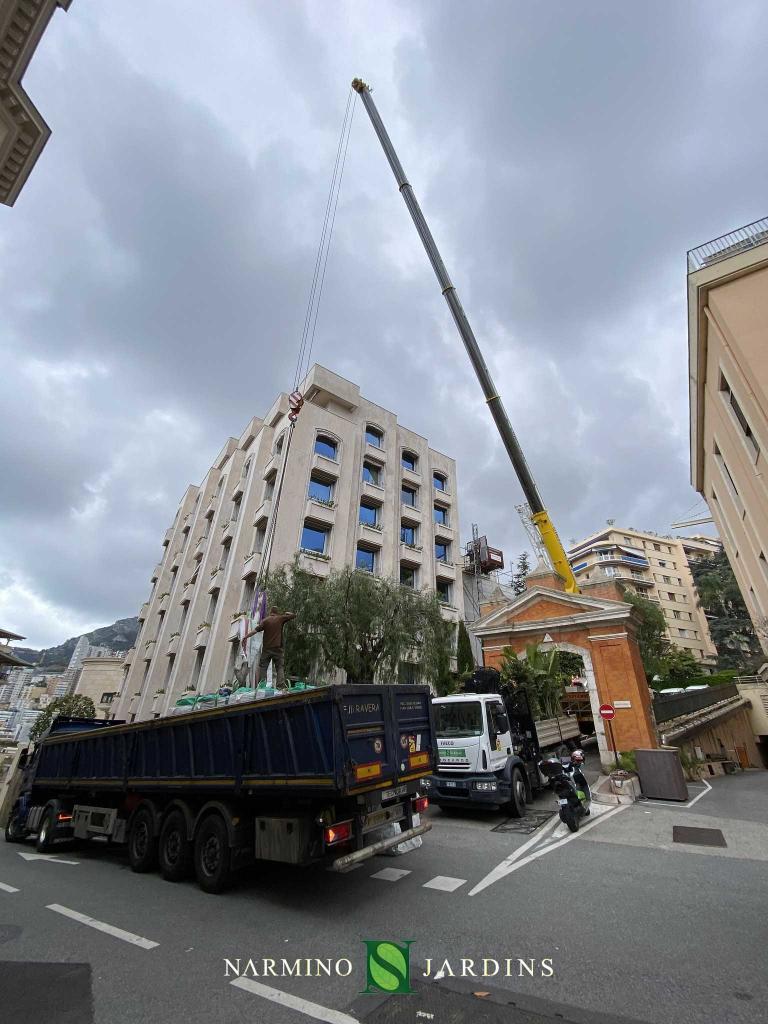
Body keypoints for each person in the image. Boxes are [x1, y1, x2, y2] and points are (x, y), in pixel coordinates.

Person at [243, 607, 296, 690]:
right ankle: (280, 686)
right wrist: (286, 612)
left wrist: (246, 636)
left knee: (263, 667)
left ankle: (262, 686)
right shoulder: (280, 618)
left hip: (267, 649)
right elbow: (293, 615)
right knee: (279, 667)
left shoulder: (265, 620)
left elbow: (255, 631)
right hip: (278, 648)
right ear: (277, 612)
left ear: (270, 612)